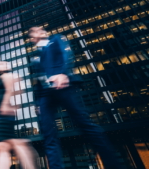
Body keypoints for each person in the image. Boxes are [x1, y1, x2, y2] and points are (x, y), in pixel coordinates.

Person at [29, 27, 120, 169]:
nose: (38, 32)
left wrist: (63, 73)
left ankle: (113, 165)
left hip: (64, 85)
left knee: (85, 124)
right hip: (46, 94)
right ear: (32, 38)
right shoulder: (35, 56)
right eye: (33, 32)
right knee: (49, 135)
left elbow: (67, 55)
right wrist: (38, 103)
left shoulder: (56, 39)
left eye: (39, 30)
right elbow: (39, 80)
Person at [0, 61, 38, 169]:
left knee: (5, 145)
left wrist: (5, 105)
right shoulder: (0, 78)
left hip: (5, 112)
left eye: (0, 64)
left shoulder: (9, 76)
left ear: (7, 66)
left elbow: (10, 91)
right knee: (3, 145)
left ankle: (29, 163)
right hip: (1, 113)